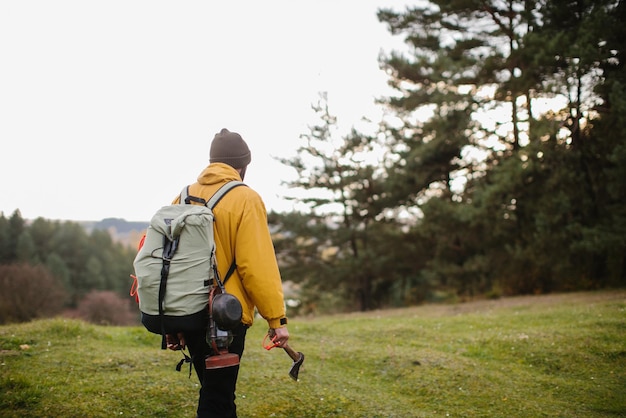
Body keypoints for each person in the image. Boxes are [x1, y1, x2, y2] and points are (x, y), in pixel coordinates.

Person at [164, 128, 290, 418]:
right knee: (218, 397)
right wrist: (276, 319)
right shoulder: (246, 198)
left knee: (214, 389)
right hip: (224, 315)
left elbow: (169, 260)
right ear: (242, 166)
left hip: (187, 311)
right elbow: (256, 265)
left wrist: (172, 323)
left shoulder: (182, 197)